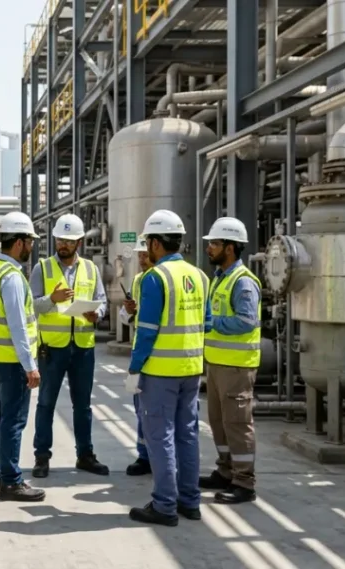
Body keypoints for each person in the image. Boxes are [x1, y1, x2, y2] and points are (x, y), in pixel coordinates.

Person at [126, 209, 210, 527]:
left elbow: (146, 330)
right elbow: (209, 322)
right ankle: (190, 501)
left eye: (148, 242)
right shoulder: (199, 276)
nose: (147, 248)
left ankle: (164, 505)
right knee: (187, 435)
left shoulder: (154, 278)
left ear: (158, 243)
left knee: (160, 437)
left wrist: (135, 368)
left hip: (161, 370)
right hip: (192, 367)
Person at [29, 213, 109, 478]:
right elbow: (32, 306)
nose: (63, 245)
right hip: (52, 347)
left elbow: (102, 301)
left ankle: (85, 455)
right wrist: (52, 298)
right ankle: (42, 457)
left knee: (83, 405)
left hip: (83, 347)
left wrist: (97, 314)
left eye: (69, 241)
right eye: (60, 240)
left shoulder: (91, 269)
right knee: (46, 403)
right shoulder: (42, 268)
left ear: (79, 242)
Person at [0, 211, 45, 502]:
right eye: (29, 240)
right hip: (12, 361)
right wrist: (30, 366)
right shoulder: (13, 278)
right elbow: (18, 325)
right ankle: (12, 481)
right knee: (13, 421)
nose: (31, 246)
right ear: (19, 242)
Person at [199, 217, 261, 505]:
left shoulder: (243, 281)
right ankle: (225, 471)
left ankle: (244, 482)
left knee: (237, 423)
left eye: (214, 243)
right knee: (219, 422)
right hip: (217, 363)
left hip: (237, 366)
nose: (209, 248)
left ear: (231, 247)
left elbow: (247, 321)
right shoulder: (220, 278)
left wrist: (212, 323)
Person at [119, 237, 154, 477]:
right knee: (140, 409)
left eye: (145, 254)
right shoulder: (139, 281)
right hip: (139, 353)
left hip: (159, 357)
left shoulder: (163, 279)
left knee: (157, 412)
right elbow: (125, 317)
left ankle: (158, 457)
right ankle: (144, 456)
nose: (141, 259)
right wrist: (128, 311)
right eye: (139, 255)